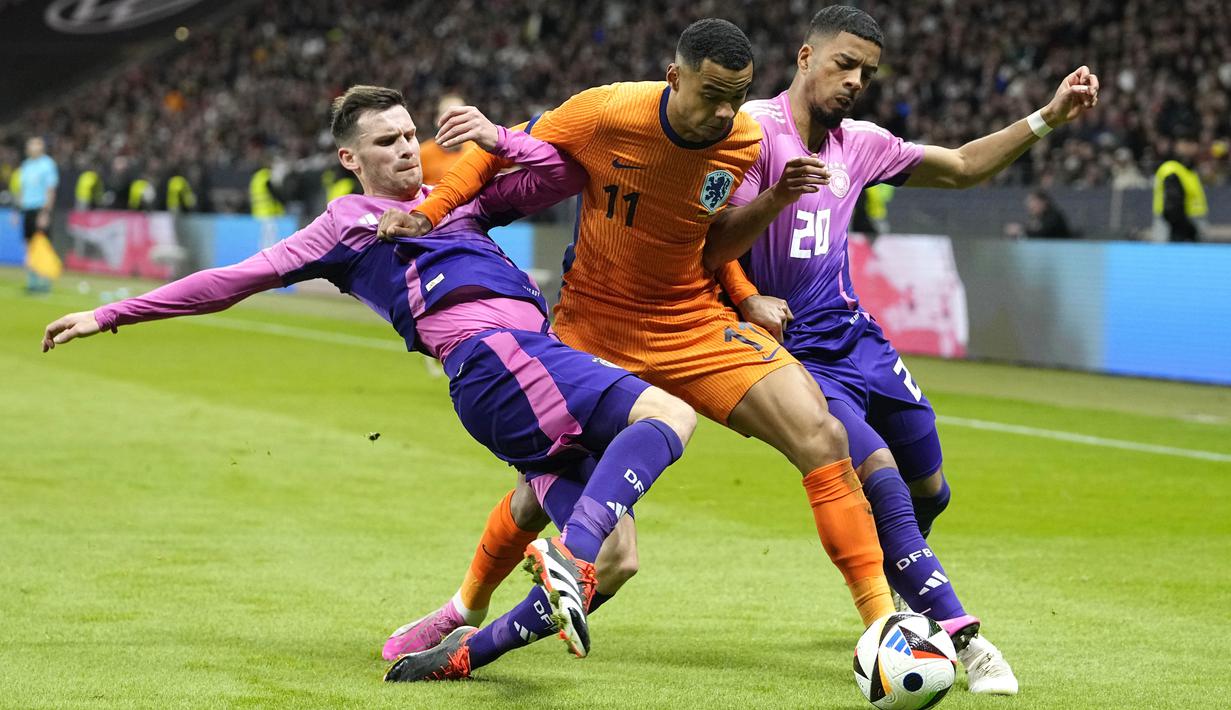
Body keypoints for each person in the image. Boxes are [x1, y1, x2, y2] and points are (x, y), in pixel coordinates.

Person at [40, 84, 696, 678]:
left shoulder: (454, 199)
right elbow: (229, 282)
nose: (409, 150)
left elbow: (563, 174)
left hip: (511, 377)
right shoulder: (342, 225)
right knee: (667, 417)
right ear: (352, 159)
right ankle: (565, 557)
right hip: (503, 360)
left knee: (619, 560)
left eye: (412, 135)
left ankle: (460, 641)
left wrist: (499, 140)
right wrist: (111, 313)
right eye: (388, 142)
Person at [377, 18, 896, 674]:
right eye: (710, 93)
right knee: (577, 526)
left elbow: (703, 233)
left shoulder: (740, 138)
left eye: (735, 96)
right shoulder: (605, 110)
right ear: (673, 76)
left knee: (821, 435)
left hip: (689, 322)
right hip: (590, 331)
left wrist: (742, 293)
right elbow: (493, 151)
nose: (722, 112)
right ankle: (464, 611)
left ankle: (882, 626)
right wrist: (428, 214)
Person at [709, 6, 1098, 694]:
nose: (856, 80)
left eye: (866, 71)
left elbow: (960, 167)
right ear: (804, 58)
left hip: (857, 339)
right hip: (789, 353)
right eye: (843, 64)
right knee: (879, 473)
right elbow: (711, 245)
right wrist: (766, 224)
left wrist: (1044, 118)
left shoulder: (858, 142)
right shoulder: (749, 134)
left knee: (928, 485)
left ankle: (896, 566)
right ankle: (962, 636)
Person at [18, 136, 59, 293]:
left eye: (33, 145)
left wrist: (45, 212)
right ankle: (32, 280)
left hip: (40, 208)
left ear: (40, 147)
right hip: (27, 208)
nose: (30, 148)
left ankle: (44, 281)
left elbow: (50, 190)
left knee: (42, 244)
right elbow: (23, 189)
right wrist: (19, 209)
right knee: (28, 245)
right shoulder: (26, 165)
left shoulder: (47, 164)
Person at [1152, 130, 1207, 242]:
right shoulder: (1172, 170)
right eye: (1185, 143)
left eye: (1192, 143)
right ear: (1176, 145)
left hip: (1187, 226)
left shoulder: (1188, 170)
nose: (1190, 147)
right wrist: (1190, 231)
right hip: (1175, 231)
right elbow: (1172, 208)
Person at [419, 93, 474, 186]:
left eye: (460, 115)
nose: (455, 121)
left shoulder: (477, 150)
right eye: (448, 116)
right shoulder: (421, 154)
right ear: (437, 120)